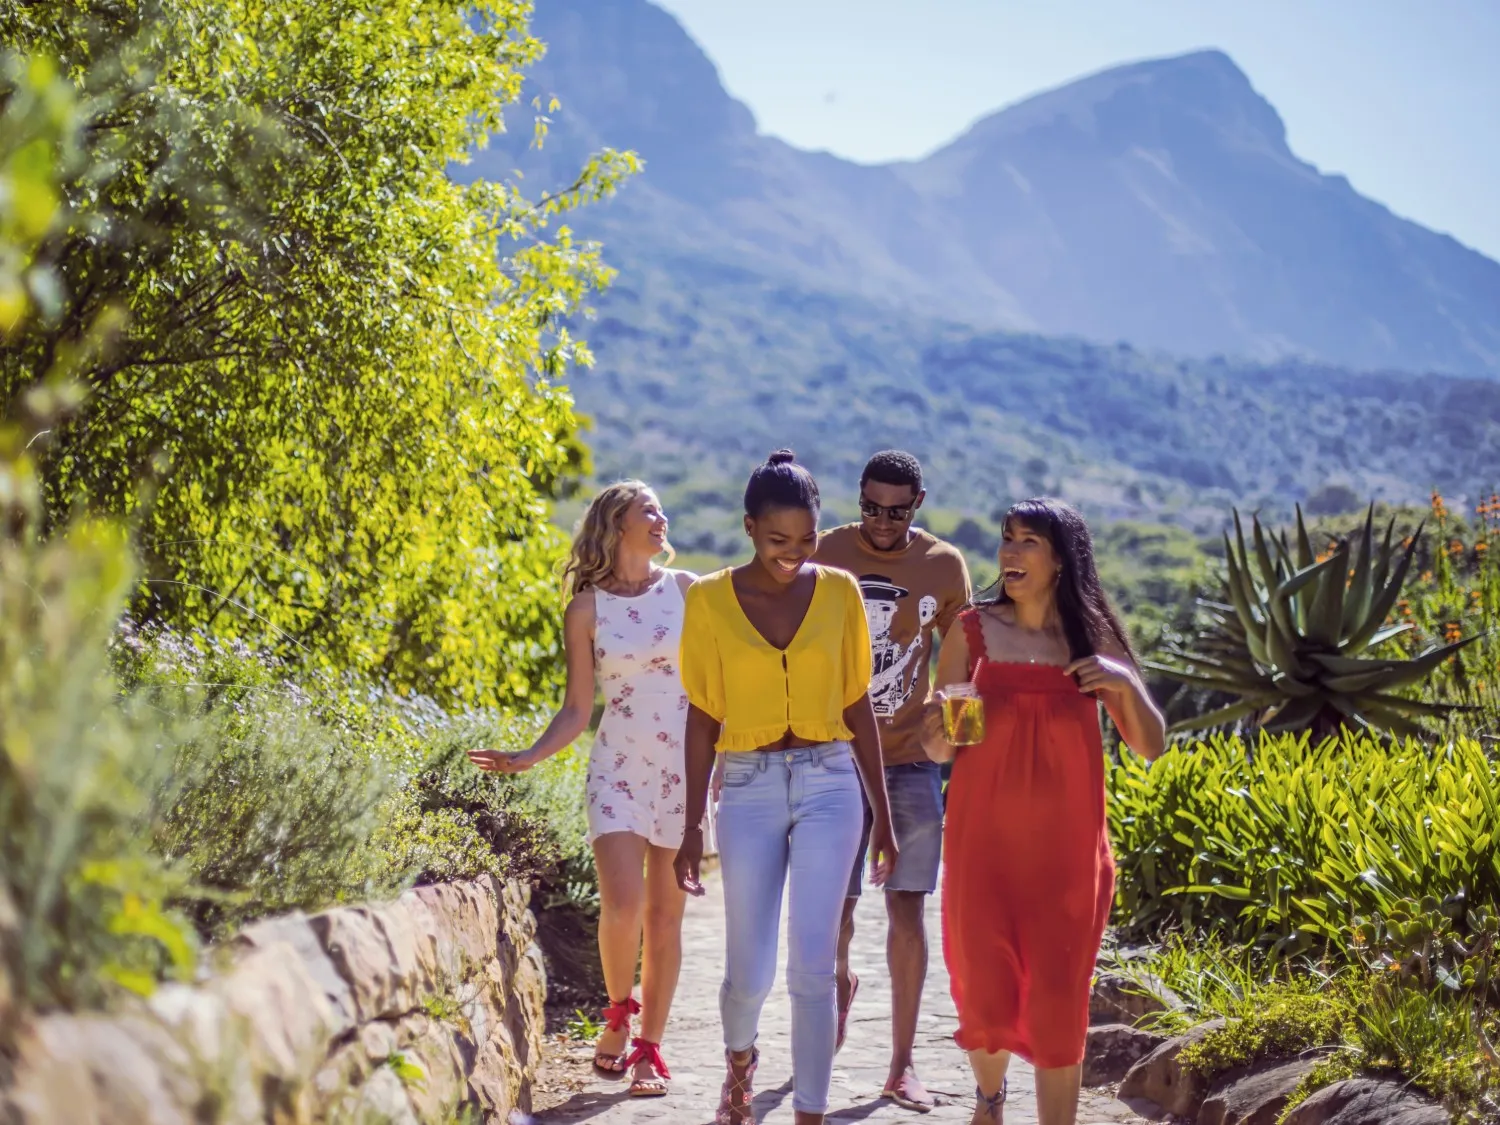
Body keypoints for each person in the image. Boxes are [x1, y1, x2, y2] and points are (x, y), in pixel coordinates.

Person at [922, 498, 1165, 1125]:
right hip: (983, 849)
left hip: (1068, 858)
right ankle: (990, 1097)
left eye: (1027, 541)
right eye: (1007, 539)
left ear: (1061, 558)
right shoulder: (971, 631)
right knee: (986, 998)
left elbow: (1151, 745)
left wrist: (1122, 680)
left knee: (1060, 1007)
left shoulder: (1093, 640)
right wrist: (951, 710)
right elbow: (941, 745)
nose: (1010, 552)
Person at [674, 449, 898, 1125]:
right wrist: (690, 827)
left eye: (805, 540)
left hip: (832, 781)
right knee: (748, 969)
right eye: (777, 541)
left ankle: (810, 1112)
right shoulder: (709, 600)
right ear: (748, 528)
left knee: (813, 965)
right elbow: (701, 717)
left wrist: (882, 813)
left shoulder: (839, 592)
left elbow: (857, 704)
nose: (793, 554)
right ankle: (739, 1063)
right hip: (746, 785)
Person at [468, 481, 691, 1098]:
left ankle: (650, 1046)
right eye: (649, 510)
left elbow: (715, 687)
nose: (661, 518)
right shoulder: (587, 609)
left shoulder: (689, 592)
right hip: (617, 763)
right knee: (622, 905)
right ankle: (619, 1010)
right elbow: (576, 709)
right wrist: (527, 756)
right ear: (617, 524)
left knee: (666, 915)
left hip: (683, 766)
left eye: (660, 509)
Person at [813, 450, 971, 1112]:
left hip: (909, 759)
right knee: (836, 908)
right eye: (870, 506)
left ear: (918, 502)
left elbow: (959, 671)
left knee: (907, 905)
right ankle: (839, 987)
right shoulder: (827, 551)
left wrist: (959, 750)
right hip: (834, 756)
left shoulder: (943, 566)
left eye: (896, 509)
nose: (881, 520)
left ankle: (902, 1064)